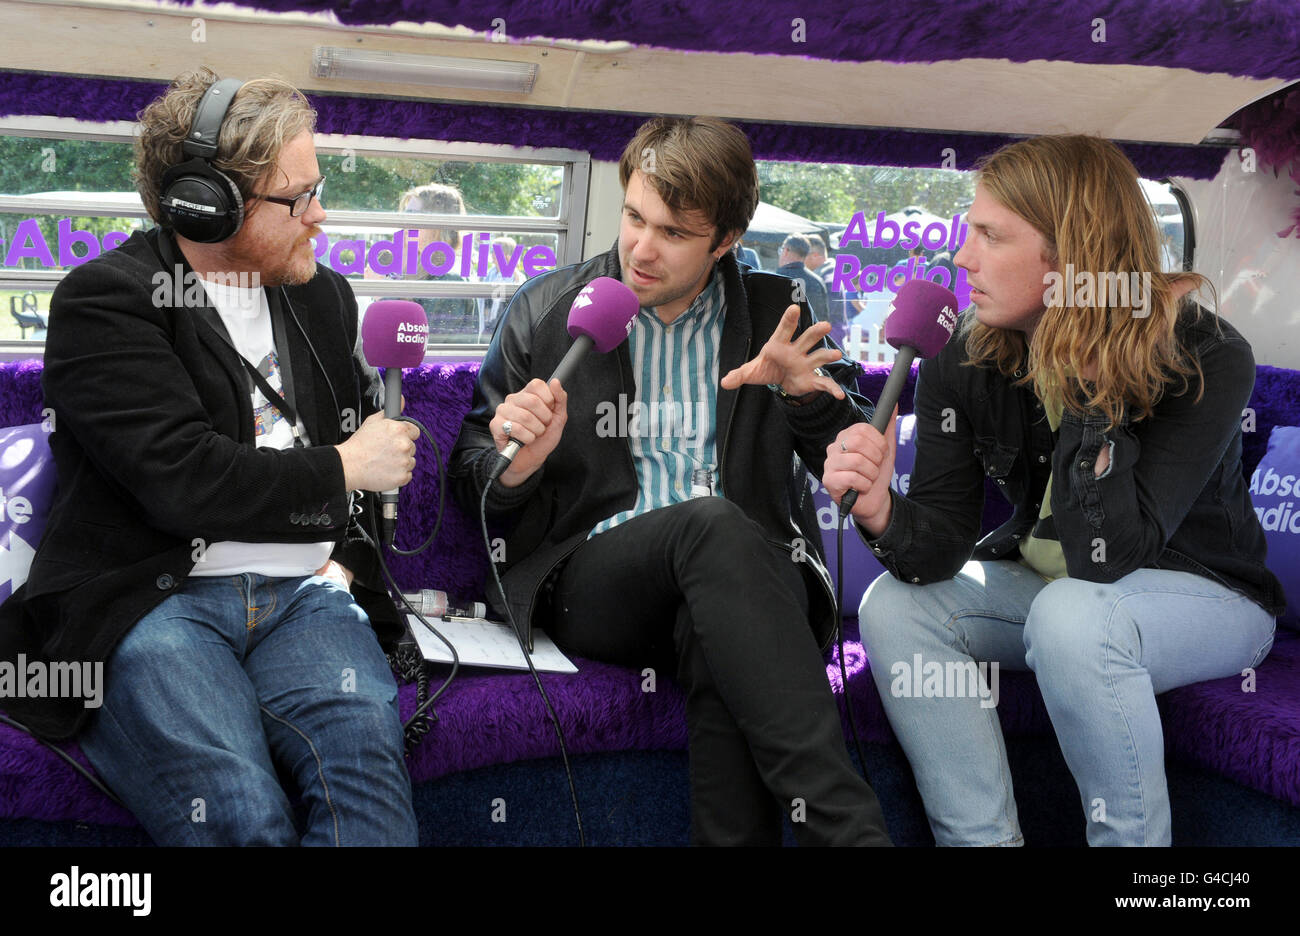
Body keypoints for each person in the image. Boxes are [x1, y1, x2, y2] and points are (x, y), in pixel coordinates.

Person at [823, 134, 1285, 846]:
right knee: (897, 607)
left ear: (1072, 254)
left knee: (1077, 614)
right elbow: (942, 547)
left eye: (989, 235)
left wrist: (1090, 388)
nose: (962, 257)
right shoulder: (966, 355)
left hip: (1204, 596)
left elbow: (1110, 559)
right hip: (1058, 594)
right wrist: (884, 511)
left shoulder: (1208, 354)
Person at [0, 69, 421, 845]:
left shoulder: (320, 296)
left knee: (370, 804)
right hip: (155, 599)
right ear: (207, 202)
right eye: (297, 199)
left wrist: (349, 566)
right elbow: (182, 479)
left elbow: (356, 437)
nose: (319, 217)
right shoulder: (107, 301)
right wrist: (345, 468)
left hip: (304, 599)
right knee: (239, 814)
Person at [450, 115, 891, 846]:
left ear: (725, 242)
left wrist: (805, 400)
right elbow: (475, 474)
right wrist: (516, 462)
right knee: (711, 523)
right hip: (595, 582)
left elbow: (854, 452)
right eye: (633, 217)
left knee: (720, 624)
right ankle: (852, 835)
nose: (641, 249)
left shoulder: (773, 309)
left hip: (740, 586)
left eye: (674, 234)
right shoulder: (546, 309)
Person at [399, 182, 482, 341]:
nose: (406, 223)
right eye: (405, 214)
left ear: (437, 223)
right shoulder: (422, 267)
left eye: (413, 215)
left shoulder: (450, 278)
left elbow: (424, 346)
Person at [776, 233, 831, 323]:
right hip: (811, 335)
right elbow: (823, 319)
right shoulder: (818, 282)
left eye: (781, 250)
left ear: (785, 251)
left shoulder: (775, 278)